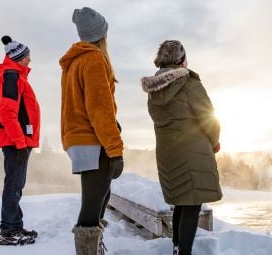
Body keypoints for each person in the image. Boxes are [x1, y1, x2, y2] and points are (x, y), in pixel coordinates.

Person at [140, 40, 223, 255]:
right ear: (181, 59)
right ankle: (183, 251)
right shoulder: (188, 82)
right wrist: (214, 142)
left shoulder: (154, 88)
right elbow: (208, 116)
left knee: (180, 201)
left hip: (168, 153)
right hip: (192, 150)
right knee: (192, 203)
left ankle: (177, 248)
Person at [59, 7, 125, 255]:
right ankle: (90, 249)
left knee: (98, 199)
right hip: (93, 139)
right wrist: (115, 149)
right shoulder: (94, 59)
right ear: (101, 34)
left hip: (80, 138)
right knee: (92, 206)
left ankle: (94, 248)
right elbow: (99, 109)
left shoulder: (74, 62)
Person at [0, 35, 42, 246]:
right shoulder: (12, 76)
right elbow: (7, 112)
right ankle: (8, 232)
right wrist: (20, 141)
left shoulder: (16, 76)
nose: (30, 59)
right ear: (20, 57)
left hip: (19, 140)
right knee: (13, 185)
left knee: (16, 185)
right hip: (16, 142)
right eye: (28, 55)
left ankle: (15, 226)